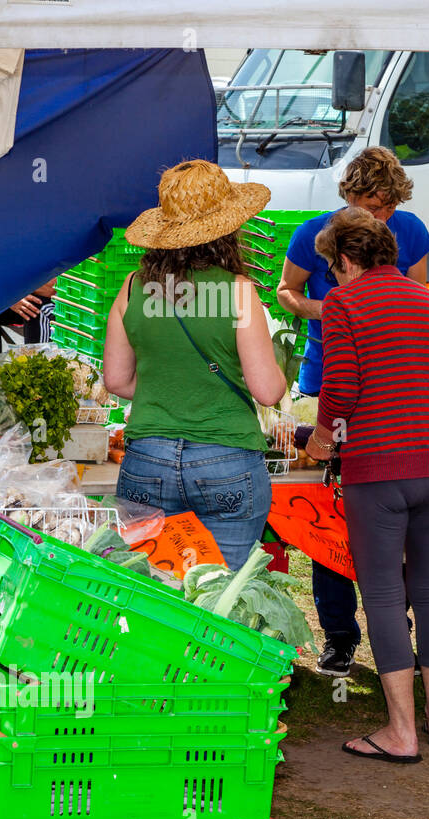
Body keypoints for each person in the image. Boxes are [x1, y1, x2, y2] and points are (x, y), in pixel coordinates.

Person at [303, 206, 429, 761]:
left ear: (347, 260)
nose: (334, 277)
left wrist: (322, 439)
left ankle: (401, 733)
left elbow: (341, 385)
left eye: (333, 267)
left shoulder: (344, 303)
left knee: (381, 593)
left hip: (378, 466)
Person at [278, 146, 429, 678]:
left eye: (389, 206)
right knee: (331, 514)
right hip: (329, 381)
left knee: (390, 519)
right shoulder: (312, 234)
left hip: (393, 389)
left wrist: (366, 307)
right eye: (373, 204)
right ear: (348, 196)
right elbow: (285, 291)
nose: (381, 217)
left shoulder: (410, 230)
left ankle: (397, 630)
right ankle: (340, 637)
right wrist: (332, 310)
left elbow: (423, 299)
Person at [102, 160, 287, 570]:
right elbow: (268, 391)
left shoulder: (133, 287)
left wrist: (167, 387)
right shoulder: (238, 291)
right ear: (228, 229)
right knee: (221, 602)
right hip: (228, 460)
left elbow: (115, 379)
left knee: (152, 595)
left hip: (147, 458)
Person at [0, 278, 54, 355]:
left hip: (17, 292)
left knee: (35, 302)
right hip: (1, 296)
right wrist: (9, 296)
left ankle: (37, 359)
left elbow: (50, 287)